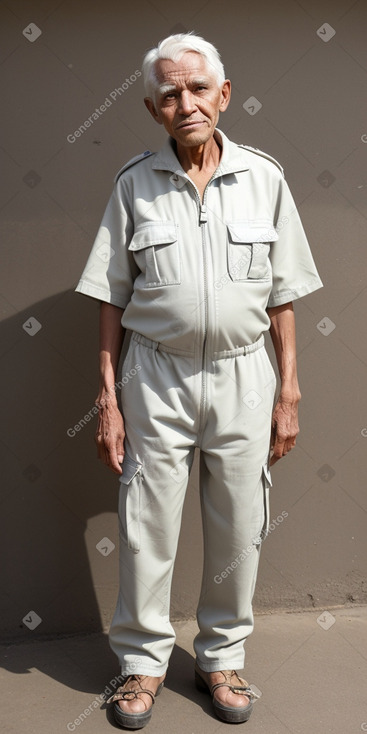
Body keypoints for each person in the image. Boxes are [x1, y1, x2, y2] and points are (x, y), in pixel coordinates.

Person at [75, 32, 322, 729]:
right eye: (169, 95)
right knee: (146, 523)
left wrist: (288, 391)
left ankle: (221, 657)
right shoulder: (133, 184)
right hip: (153, 373)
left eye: (197, 89)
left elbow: (283, 295)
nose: (185, 104)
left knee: (240, 523)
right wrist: (108, 398)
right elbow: (111, 297)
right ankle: (142, 664)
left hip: (247, 372)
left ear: (223, 95)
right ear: (155, 110)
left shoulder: (265, 179)